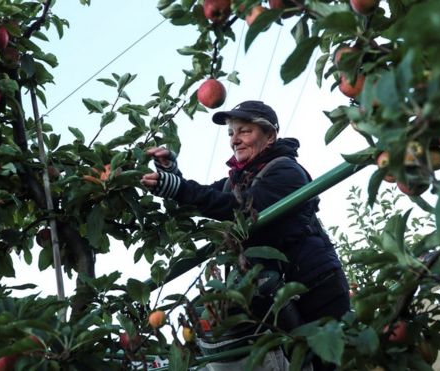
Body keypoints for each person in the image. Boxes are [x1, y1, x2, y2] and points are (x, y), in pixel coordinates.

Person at [140, 100, 350, 371]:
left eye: (244, 131)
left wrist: (179, 188)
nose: (235, 140)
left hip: (315, 289)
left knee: (325, 364)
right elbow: (206, 196)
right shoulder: (238, 180)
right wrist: (171, 174)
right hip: (281, 293)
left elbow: (240, 208)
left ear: (270, 136)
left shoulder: (285, 170)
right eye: (231, 133)